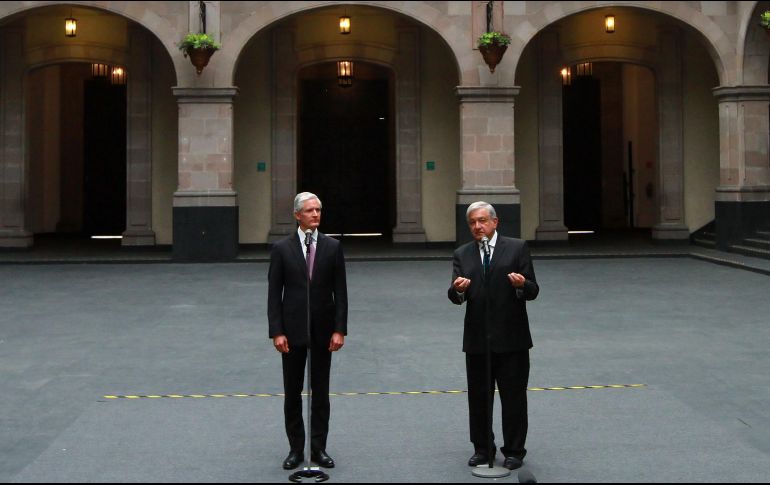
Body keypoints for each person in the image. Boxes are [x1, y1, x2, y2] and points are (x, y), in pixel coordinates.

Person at [448, 201, 539, 470]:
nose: (478, 226)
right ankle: (482, 448)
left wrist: (522, 285)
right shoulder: (462, 254)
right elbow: (454, 296)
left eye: (482, 221)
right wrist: (459, 290)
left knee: (513, 398)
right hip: (477, 340)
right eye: (472, 223)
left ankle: (514, 451)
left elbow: (534, 290)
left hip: (512, 339)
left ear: (495, 222)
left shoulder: (517, 248)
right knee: (478, 399)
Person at [267, 192, 348, 470]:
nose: (316, 215)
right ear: (297, 215)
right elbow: (274, 294)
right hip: (291, 332)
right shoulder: (281, 249)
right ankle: (295, 449)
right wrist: (277, 331)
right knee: (292, 393)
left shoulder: (333, 247)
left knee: (321, 393)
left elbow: (341, 293)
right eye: (310, 211)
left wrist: (340, 329)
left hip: (324, 332)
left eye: (319, 210)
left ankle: (319, 447)